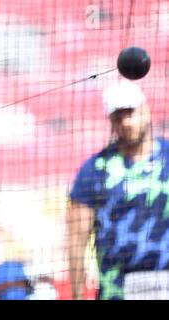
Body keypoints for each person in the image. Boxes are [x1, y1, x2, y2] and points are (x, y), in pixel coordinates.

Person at [68, 81, 169, 300]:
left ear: (146, 110)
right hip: (117, 289)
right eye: (118, 116)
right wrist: (77, 295)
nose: (126, 122)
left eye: (130, 112)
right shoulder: (94, 170)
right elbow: (76, 239)